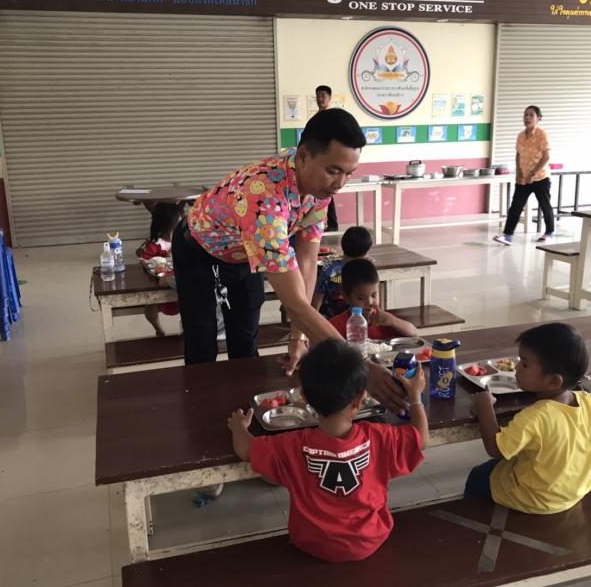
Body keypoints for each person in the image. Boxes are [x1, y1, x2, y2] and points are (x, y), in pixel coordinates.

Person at [172, 108, 406, 410]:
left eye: (349, 173)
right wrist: (358, 367)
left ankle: (245, 416)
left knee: (245, 340)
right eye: (334, 171)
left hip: (245, 253)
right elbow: (294, 302)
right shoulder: (263, 198)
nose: (340, 184)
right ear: (304, 155)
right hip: (200, 252)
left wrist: (299, 338)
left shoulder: (319, 187)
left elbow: (306, 263)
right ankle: (200, 416)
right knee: (203, 344)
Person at [227, 339, 429, 562]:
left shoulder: (292, 446)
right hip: (370, 540)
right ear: (360, 400)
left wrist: (239, 427)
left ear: (304, 397)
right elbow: (421, 438)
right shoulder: (380, 437)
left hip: (311, 544)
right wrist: (415, 397)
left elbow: (246, 450)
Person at [466, 322, 591, 514]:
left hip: (533, 499)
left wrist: (485, 407)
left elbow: (495, 449)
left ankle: (472, 517)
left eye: (525, 364)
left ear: (553, 381)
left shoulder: (535, 417)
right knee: (517, 457)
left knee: (478, 475)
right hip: (572, 493)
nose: (516, 367)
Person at [493, 105, 555, 245]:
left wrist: (533, 173)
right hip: (524, 179)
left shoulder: (542, 134)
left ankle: (549, 232)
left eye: (531, 115)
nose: (527, 117)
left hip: (540, 178)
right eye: (525, 115)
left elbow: (546, 157)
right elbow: (518, 155)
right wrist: (519, 172)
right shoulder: (521, 136)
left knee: (545, 205)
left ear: (538, 118)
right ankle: (507, 235)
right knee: (516, 206)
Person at [328, 259, 417, 339]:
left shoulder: (383, 320)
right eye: (361, 298)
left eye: (374, 295)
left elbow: (414, 333)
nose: (370, 302)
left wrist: (393, 321)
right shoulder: (336, 325)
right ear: (346, 297)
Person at [136, 203, 183, 336]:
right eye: (178, 223)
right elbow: (144, 261)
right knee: (151, 306)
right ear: (166, 225)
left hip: (178, 283)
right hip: (160, 283)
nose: (181, 226)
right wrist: (160, 260)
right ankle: (158, 329)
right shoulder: (156, 244)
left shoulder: (183, 240)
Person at [312, 225, 373, 318]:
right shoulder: (365, 269)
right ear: (365, 253)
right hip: (357, 318)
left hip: (329, 319)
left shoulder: (329, 268)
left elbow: (317, 301)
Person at [315, 85, 339, 233]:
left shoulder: (332, 117)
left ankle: (333, 223)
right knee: (321, 191)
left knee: (327, 190)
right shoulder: (316, 118)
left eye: (323, 96)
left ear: (329, 98)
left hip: (329, 159)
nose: (320, 99)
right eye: (318, 96)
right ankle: (323, 223)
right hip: (318, 159)